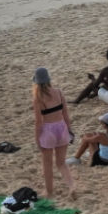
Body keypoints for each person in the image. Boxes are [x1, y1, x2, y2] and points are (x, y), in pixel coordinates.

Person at [31, 67, 75, 199]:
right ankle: (72, 186)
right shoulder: (59, 92)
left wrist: (37, 138)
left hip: (48, 130)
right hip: (61, 127)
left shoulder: (38, 98)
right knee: (61, 163)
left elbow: (38, 122)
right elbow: (65, 114)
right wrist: (69, 130)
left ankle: (49, 192)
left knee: (47, 164)